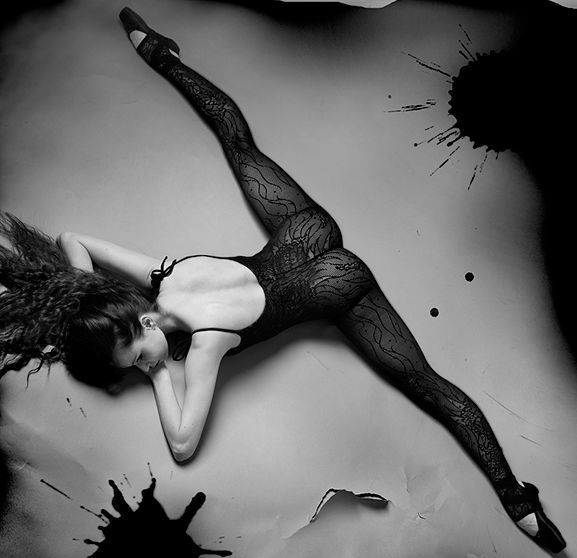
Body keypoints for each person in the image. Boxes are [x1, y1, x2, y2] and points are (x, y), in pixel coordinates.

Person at [0, 7, 566, 553]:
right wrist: (89, 301)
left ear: (140, 321)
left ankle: (518, 502)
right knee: (236, 139)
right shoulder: (165, 272)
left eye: (139, 350)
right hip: (304, 229)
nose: (150, 358)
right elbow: (74, 239)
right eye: (139, 362)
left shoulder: (206, 345)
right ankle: (160, 54)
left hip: (337, 282)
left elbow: (182, 443)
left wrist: (155, 377)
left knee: (426, 383)